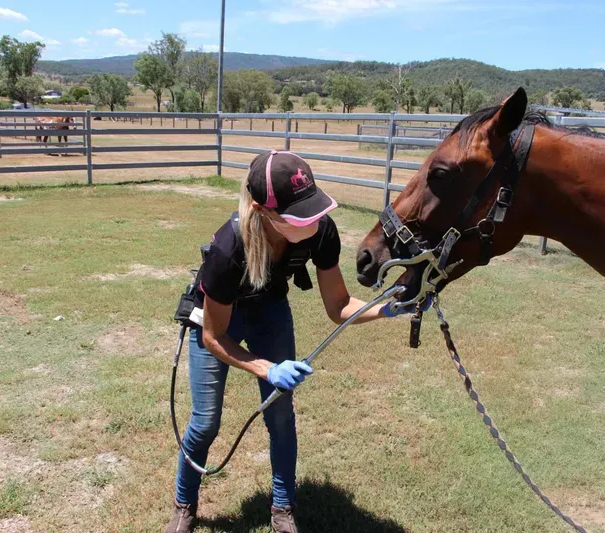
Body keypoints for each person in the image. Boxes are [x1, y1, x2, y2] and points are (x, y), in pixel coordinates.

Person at [166, 150, 423, 533]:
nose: (314, 221)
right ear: (261, 210)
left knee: (281, 418)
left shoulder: (322, 232)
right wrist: (269, 368)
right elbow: (213, 336)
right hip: (220, 318)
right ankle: (184, 504)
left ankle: (283, 508)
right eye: (300, 214)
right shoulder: (227, 249)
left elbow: (338, 306)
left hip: (269, 311)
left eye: (314, 208)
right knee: (205, 423)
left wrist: (386, 309)